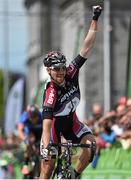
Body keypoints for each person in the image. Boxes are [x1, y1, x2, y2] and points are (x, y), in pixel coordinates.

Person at [39, 5, 102, 179]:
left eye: (62, 68)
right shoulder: (51, 93)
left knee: (91, 146)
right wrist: (46, 148)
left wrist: (95, 18)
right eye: (56, 69)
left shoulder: (71, 72)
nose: (60, 72)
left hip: (72, 124)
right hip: (53, 129)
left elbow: (87, 47)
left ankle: (73, 175)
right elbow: (45, 127)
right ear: (48, 71)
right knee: (47, 166)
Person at [17, 104, 43, 176]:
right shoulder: (25, 116)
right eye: (31, 118)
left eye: (35, 118)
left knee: (41, 150)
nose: (33, 120)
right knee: (29, 142)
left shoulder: (42, 116)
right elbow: (20, 130)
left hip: (41, 133)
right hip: (30, 133)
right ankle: (25, 164)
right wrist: (25, 139)